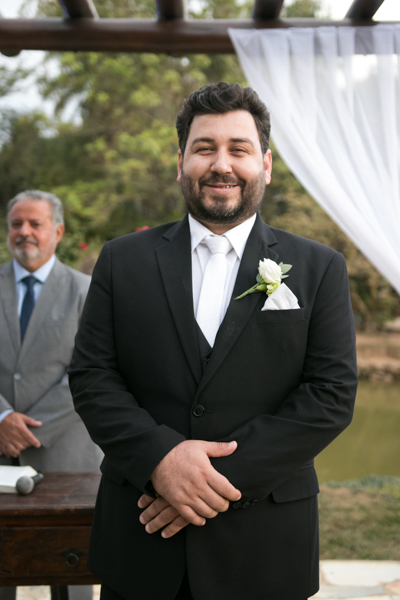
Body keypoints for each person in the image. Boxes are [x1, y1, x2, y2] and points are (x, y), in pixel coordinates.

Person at [69, 82, 358, 600]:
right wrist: (161, 462)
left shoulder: (320, 268)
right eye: (204, 148)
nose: (221, 164)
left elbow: (330, 396)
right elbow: (93, 377)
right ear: (180, 163)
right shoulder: (120, 260)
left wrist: (204, 482)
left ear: (265, 165)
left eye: (238, 149)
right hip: (142, 542)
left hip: (266, 548)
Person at [0, 190, 102, 600]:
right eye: (16, 224)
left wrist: (27, 430)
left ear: (57, 232)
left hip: (67, 460)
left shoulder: (87, 290)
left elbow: (91, 369)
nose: (24, 231)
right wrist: (1, 418)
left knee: (72, 581)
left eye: (35, 223)